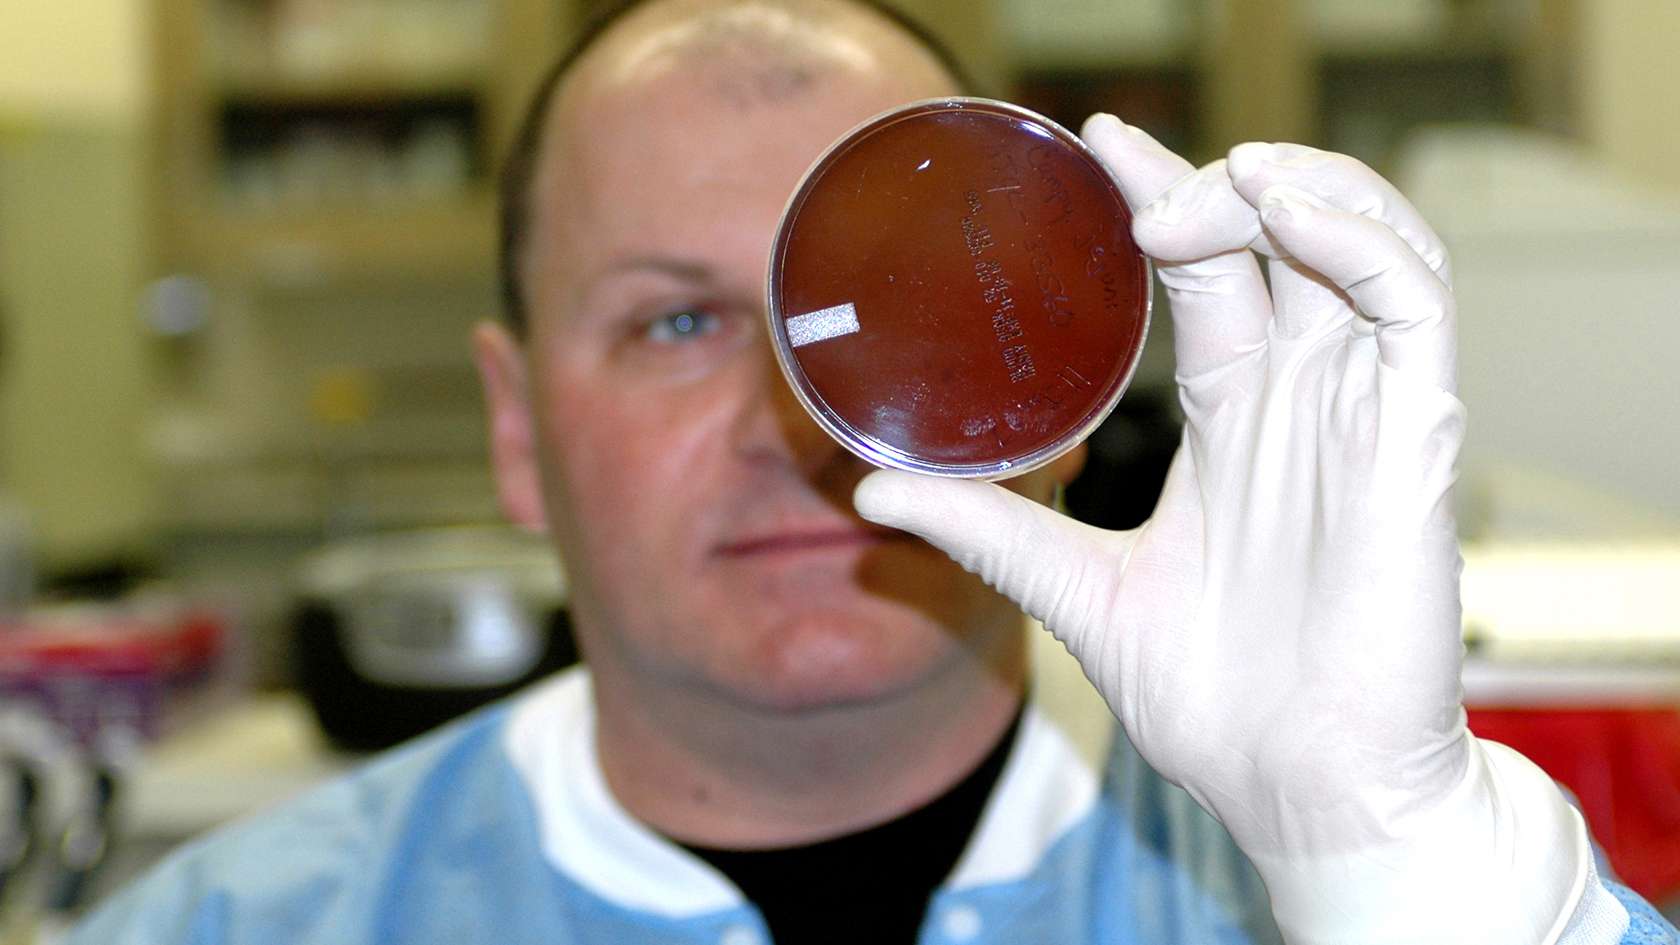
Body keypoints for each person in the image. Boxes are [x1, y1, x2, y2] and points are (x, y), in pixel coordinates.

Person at [70, 0, 1680, 942]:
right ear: (515, 429)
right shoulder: (231, 925)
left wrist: (1403, 873)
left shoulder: (1291, 883)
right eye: (676, 318)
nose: (798, 416)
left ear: (1059, 393)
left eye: (898, 313)